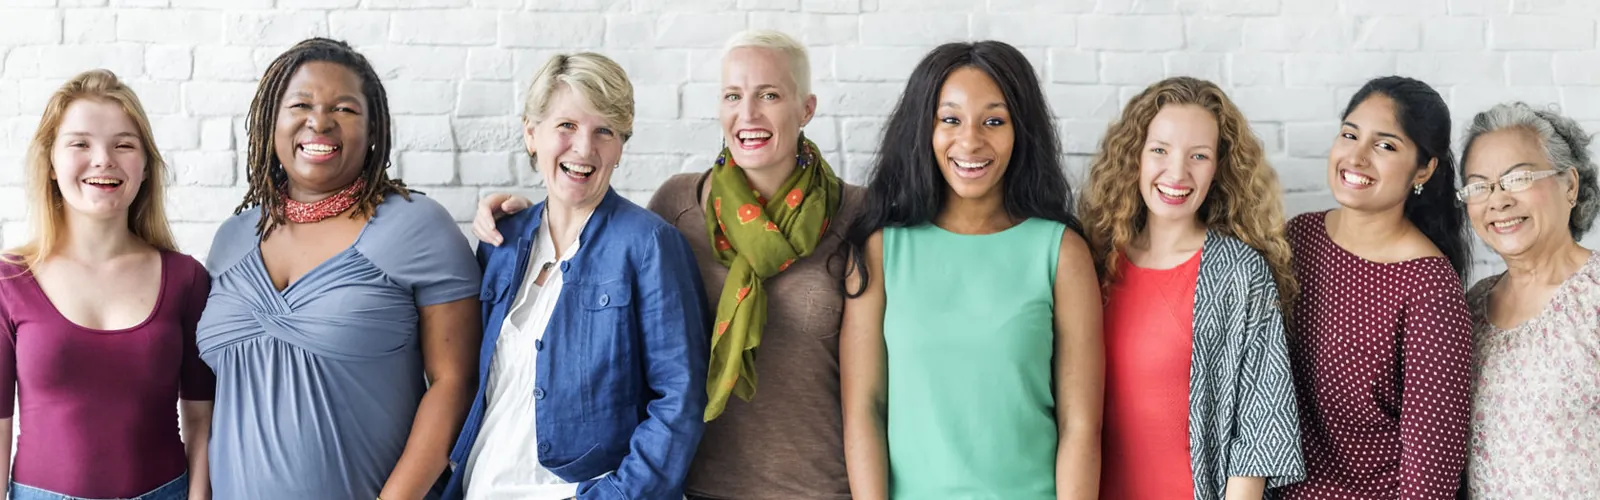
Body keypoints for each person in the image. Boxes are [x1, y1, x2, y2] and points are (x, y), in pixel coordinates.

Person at [471, 30, 863, 500]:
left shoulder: (859, 215)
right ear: (530, 133)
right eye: (733, 95)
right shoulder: (678, 204)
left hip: (817, 485)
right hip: (699, 485)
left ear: (807, 109)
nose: (749, 113)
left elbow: (678, 395)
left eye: (771, 95)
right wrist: (515, 217)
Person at [197, 38, 481, 499]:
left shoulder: (415, 226)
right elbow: (209, 399)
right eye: (301, 104)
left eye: (345, 109)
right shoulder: (231, 238)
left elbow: (456, 382)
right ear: (272, 123)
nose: (320, 121)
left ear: (373, 130)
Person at [838, 40, 1103, 500]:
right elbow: (864, 410)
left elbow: (1080, 425)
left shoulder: (1060, 252)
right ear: (925, 128)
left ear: (1021, 131)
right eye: (951, 119)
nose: (971, 141)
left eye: (994, 121)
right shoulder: (881, 250)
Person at [441, 51, 709, 500]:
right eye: (566, 125)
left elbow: (680, 402)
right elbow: (470, 380)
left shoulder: (649, 246)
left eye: (604, 130)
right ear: (531, 133)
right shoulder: (501, 243)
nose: (584, 148)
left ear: (620, 146)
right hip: (481, 486)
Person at [1078, 76, 1304, 500]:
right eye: (1160, 150)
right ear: (1136, 157)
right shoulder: (1090, 262)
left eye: (1198, 156)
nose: (1177, 173)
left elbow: (1259, 431)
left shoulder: (1240, 273)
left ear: (1218, 167)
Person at [0, 69, 214, 500]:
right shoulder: (9, 280)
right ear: (51, 164)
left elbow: (202, 419)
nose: (104, 159)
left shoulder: (187, 279)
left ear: (145, 168)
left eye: (124, 144)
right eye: (80, 143)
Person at [1278, 76, 1473, 500]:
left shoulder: (1429, 288)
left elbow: (1432, 474)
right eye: (1350, 134)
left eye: (1385, 146)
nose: (1357, 156)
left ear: (1424, 168)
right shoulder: (1300, 237)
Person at [1455, 102, 1600, 498]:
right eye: (1479, 186)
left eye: (1517, 179)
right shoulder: (1471, 307)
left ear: (1569, 185)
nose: (1497, 200)